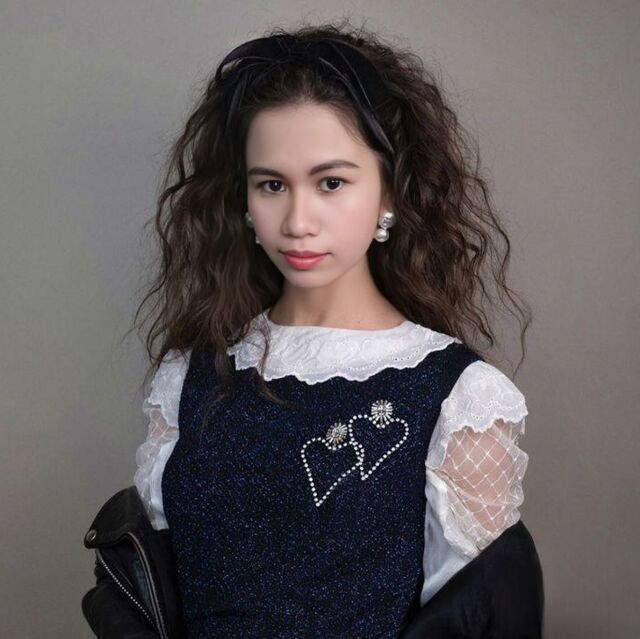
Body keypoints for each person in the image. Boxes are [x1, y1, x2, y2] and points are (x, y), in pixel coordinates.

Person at [92, 19, 544, 638]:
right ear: (244, 200)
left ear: (389, 193)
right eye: (272, 185)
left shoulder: (460, 398)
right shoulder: (188, 378)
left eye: (331, 182)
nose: (298, 221)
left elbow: (480, 618)